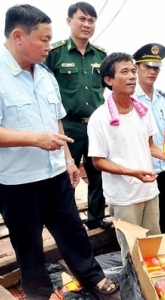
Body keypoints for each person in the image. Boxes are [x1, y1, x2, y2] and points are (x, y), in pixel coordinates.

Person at [0, 5, 117, 298]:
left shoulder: (45, 75)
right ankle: (39, 292)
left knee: (72, 231)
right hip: (18, 181)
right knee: (28, 243)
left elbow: (56, 120)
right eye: (44, 40)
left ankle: (92, 276)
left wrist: (67, 161)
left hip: (54, 173)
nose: (48, 46)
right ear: (18, 36)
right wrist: (34, 139)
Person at [87, 52, 165, 264]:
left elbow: (151, 146)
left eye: (133, 71)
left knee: (154, 246)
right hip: (124, 196)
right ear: (108, 80)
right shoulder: (100, 118)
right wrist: (132, 173)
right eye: (124, 72)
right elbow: (98, 161)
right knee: (131, 252)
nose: (132, 76)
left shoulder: (142, 111)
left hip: (149, 190)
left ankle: (154, 290)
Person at [45, 2, 111, 230]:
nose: (86, 24)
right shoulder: (54, 53)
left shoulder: (101, 55)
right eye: (81, 19)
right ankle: (69, 223)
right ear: (69, 21)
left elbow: (105, 87)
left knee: (97, 173)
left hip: (94, 125)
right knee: (66, 177)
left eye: (91, 20)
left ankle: (95, 218)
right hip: (67, 126)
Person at [133, 43, 165, 233]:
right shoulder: (130, 100)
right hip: (142, 169)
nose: (152, 72)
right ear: (136, 67)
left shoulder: (162, 99)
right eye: (147, 67)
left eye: (156, 68)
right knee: (145, 223)